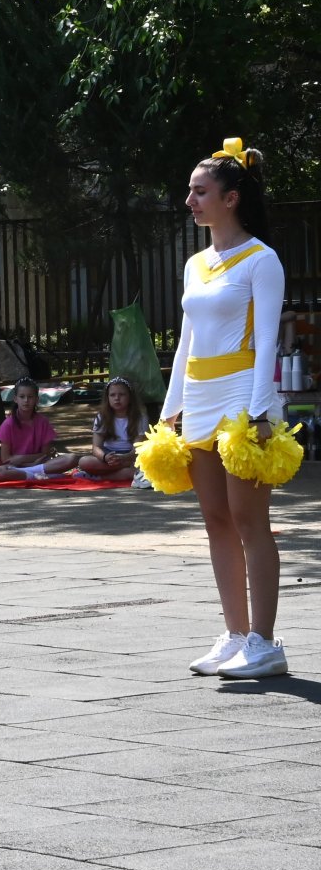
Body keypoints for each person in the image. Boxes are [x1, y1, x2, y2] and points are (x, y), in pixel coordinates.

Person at [145, 139, 298, 680]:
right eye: (190, 191)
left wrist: (260, 413)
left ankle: (265, 642)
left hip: (242, 400)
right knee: (215, 521)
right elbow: (187, 340)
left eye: (199, 191)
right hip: (201, 399)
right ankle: (234, 635)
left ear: (230, 199)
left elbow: (266, 345)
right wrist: (171, 408)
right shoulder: (195, 264)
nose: (189, 200)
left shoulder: (262, 260)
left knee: (249, 519)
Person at [0, 378, 76, 481]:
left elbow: (45, 454)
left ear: (37, 399)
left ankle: (32, 474)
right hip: (16, 468)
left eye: (30, 397)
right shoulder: (8, 424)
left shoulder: (43, 422)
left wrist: (21, 459)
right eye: (22, 397)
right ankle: (33, 476)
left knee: (73, 458)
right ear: (16, 399)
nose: (26, 400)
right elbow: (6, 459)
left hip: (39, 465)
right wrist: (29, 461)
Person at [78, 376, 144, 481]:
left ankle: (99, 477)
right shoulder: (102, 417)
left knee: (133, 472)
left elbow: (137, 449)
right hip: (108, 456)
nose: (117, 398)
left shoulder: (140, 417)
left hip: (129, 457)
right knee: (84, 462)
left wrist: (124, 458)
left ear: (130, 397)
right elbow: (96, 448)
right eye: (112, 395)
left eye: (121, 394)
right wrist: (105, 457)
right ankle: (116, 471)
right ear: (107, 398)